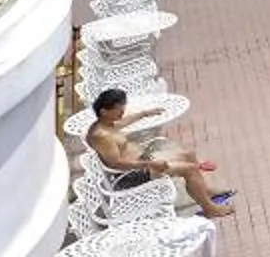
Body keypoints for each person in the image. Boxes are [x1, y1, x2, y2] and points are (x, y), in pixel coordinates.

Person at [87, 88, 236, 217]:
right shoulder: (101, 136)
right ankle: (209, 209)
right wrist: (151, 163)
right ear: (104, 111)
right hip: (135, 174)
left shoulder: (106, 123)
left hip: (144, 161)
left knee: (189, 155)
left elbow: (123, 122)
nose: (122, 113)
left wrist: (145, 113)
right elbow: (117, 163)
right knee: (190, 169)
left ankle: (205, 190)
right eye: (119, 110)